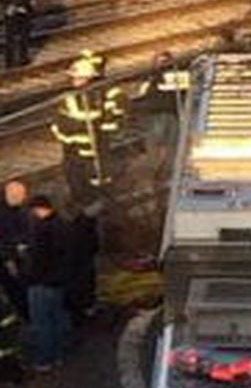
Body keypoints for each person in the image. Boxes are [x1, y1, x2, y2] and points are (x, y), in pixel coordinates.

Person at [51, 53, 120, 204]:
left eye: (79, 78)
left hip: (91, 148)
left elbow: (100, 119)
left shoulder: (95, 96)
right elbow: (59, 122)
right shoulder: (73, 97)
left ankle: (98, 203)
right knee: (77, 180)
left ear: (88, 78)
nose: (75, 81)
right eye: (74, 78)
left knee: (94, 180)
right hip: (74, 149)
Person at [26, 195, 69, 372]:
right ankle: (58, 355)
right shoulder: (62, 225)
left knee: (42, 323)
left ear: (37, 209)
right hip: (59, 282)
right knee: (57, 319)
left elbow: (37, 259)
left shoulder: (42, 230)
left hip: (41, 283)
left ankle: (44, 360)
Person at [134, 51, 189, 182]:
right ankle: (164, 173)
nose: (163, 65)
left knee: (162, 147)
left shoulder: (153, 78)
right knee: (169, 147)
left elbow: (144, 96)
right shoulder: (178, 75)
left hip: (164, 115)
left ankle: (159, 173)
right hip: (167, 114)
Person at [0, 179, 32, 317]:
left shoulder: (12, 208)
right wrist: (10, 258)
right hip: (10, 257)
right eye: (22, 197)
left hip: (16, 252)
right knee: (17, 287)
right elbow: (1, 238)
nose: (24, 199)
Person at [65, 200, 101, 321]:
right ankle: (87, 307)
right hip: (81, 259)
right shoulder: (81, 224)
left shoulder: (76, 224)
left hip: (81, 258)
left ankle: (86, 307)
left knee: (85, 282)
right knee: (85, 283)